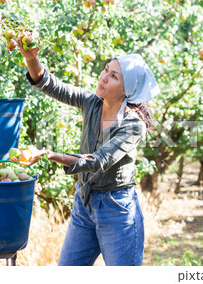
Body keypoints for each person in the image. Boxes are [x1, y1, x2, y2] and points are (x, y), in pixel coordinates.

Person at [13, 38, 160, 265]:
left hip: (117, 210)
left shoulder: (133, 126)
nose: (103, 77)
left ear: (127, 90)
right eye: (106, 70)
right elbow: (52, 85)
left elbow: (98, 160)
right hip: (85, 202)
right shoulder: (91, 102)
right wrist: (32, 59)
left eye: (114, 76)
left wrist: (48, 154)